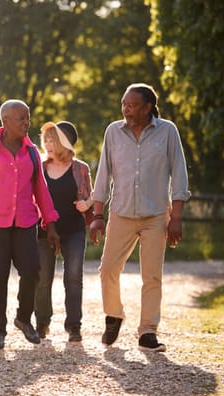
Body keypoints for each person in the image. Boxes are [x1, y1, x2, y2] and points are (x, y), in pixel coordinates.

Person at [90, 83, 191, 352]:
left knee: (152, 275)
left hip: (156, 214)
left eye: (132, 105)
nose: (126, 109)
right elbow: (103, 174)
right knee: (108, 269)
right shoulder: (113, 131)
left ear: (148, 107)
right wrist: (98, 213)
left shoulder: (167, 131)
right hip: (121, 213)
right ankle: (113, 315)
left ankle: (148, 331)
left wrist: (177, 218)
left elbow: (179, 174)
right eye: (123, 104)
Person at [0, 99, 60, 350]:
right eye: (21, 118)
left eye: (27, 117)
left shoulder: (31, 152)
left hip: (25, 221)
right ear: (5, 121)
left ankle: (23, 318)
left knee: (32, 270)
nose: (26, 123)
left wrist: (50, 224)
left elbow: (41, 189)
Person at [35, 121, 93, 343]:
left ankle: (74, 326)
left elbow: (90, 196)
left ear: (63, 143)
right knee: (42, 278)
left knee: (73, 276)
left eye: (52, 139)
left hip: (73, 230)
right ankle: (42, 323)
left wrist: (86, 204)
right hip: (44, 230)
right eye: (46, 139)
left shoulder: (81, 168)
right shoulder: (39, 167)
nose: (47, 144)